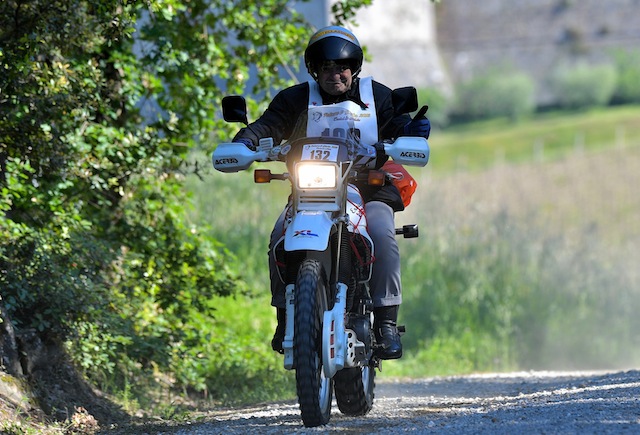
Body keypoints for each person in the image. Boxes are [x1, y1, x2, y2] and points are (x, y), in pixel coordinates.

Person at [232, 25, 430, 360]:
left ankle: (384, 321)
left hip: (368, 188)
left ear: (354, 68)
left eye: (341, 66)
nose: (334, 73)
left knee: (382, 233)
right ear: (314, 69)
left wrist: (411, 133)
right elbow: (268, 125)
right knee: (280, 233)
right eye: (326, 66)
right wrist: (245, 141)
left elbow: (400, 126)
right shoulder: (294, 98)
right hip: (312, 188)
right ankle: (285, 316)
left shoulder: (377, 96)